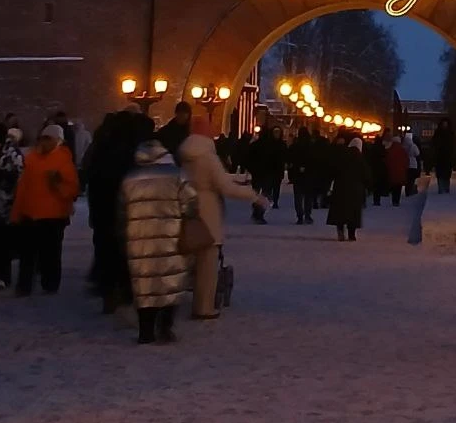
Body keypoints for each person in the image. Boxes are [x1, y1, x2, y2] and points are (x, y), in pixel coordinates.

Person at [179, 134, 267, 319]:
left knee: (188, 258)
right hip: (208, 209)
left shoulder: (184, 156)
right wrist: (253, 196)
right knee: (208, 261)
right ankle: (204, 307)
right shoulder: (209, 158)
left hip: (188, 207)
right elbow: (225, 186)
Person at [120, 136, 198, 344]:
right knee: (169, 282)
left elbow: (121, 208)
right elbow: (191, 203)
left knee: (144, 284)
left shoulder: (130, 178)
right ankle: (165, 328)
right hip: (170, 237)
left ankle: (145, 331)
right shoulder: (176, 176)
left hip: (138, 238)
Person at [10, 122, 80, 296]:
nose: (44, 142)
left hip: (54, 216)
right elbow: (23, 187)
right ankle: (24, 286)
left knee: (50, 253)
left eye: (48, 139)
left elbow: (72, 191)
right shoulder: (31, 158)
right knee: (28, 254)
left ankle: (49, 284)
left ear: (58, 141)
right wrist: (17, 212)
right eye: (42, 138)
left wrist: (57, 184)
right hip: (30, 213)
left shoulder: (64, 161)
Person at [86, 112, 143, 311]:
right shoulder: (130, 150)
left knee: (105, 248)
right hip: (123, 209)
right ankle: (124, 291)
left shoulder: (100, 147)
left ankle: (109, 291)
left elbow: (89, 173)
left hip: (102, 206)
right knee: (124, 251)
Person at [0, 125, 24, 289]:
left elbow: (20, 177)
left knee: (4, 242)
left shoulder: (11, 155)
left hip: (7, 204)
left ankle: (2, 275)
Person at [327, 137, 369, 241]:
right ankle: (351, 233)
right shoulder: (360, 158)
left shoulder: (342, 156)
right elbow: (366, 175)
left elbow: (333, 170)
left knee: (340, 211)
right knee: (353, 212)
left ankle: (340, 231)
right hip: (355, 189)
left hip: (340, 187)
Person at [287, 126, 316, 225]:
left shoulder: (295, 146)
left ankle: (300, 216)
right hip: (309, 175)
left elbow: (290, 161)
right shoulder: (312, 146)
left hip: (297, 175)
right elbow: (315, 161)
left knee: (298, 197)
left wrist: (292, 175)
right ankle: (307, 215)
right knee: (308, 197)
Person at [432, 118, 455, 195]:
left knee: (446, 174)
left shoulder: (450, 133)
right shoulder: (438, 133)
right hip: (440, 156)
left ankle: (446, 188)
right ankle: (441, 188)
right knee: (441, 174)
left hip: (447, 156)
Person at [385, 136, 409, 206]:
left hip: (392, 171)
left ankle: (394, 200)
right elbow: (407, 161)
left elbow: (387, 160)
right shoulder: (403, 150)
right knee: (399, 186)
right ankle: (397, 201)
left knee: (393, 186)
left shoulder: (389, 150)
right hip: (401, 171)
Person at [403, 132, 421, 198]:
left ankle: (407, 191)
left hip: (405, 164)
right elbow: (418, 154)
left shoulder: (403, 146)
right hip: (413, 164)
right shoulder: (413, 146)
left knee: (407, 179)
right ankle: (411, 191)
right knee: (412, 179)